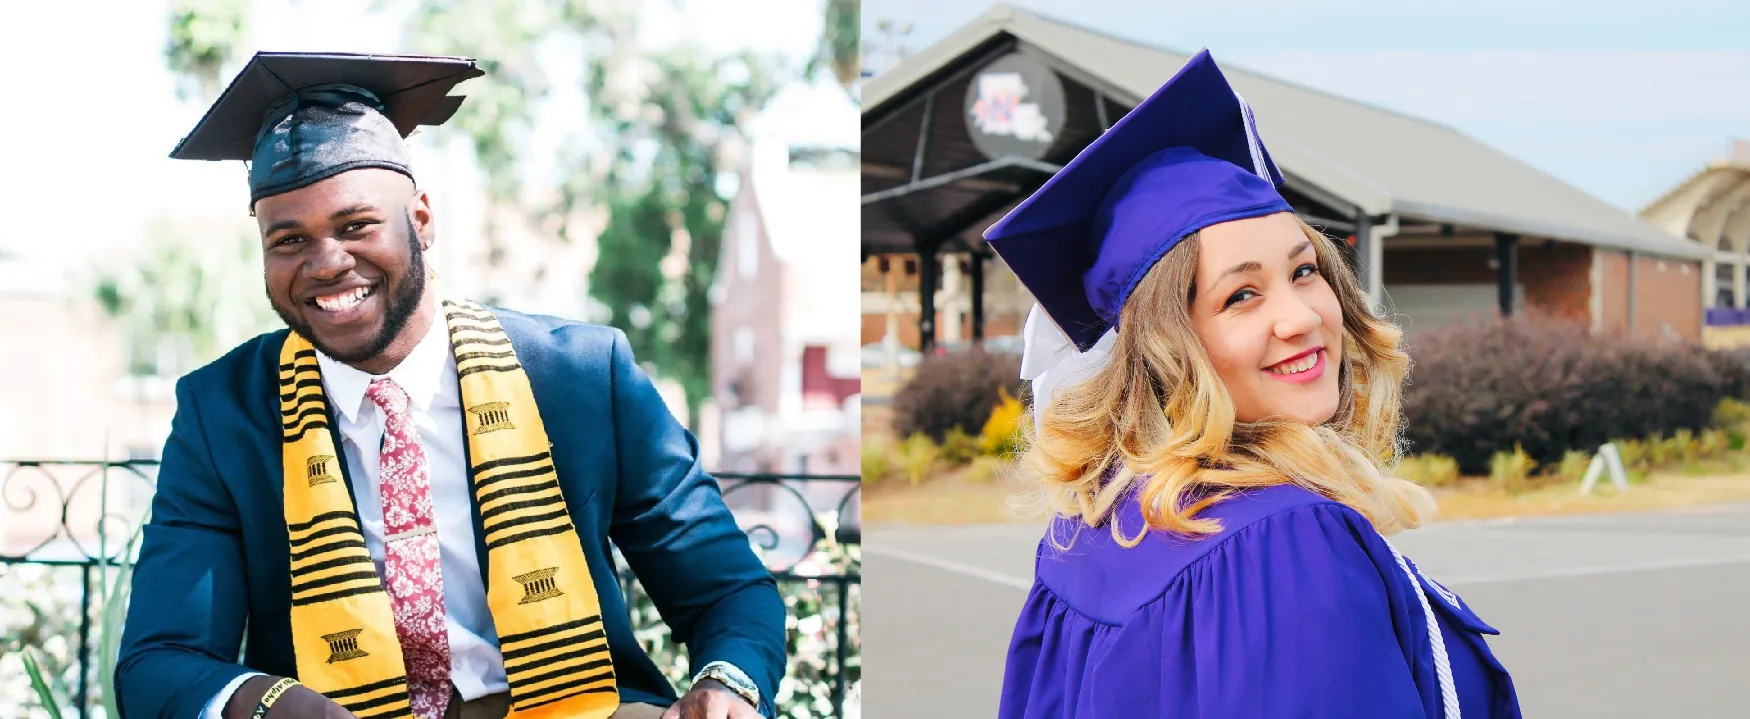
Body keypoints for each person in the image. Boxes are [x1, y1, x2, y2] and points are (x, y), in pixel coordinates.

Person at [115, 52, 782, 719]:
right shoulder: (224, 412)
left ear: (422, 220)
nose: (326, 263)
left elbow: (726, 591)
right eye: (288, 240)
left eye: (356, 226)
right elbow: (160, 658)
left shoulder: (580, 375)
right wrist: (269, 703)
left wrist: (728, 683)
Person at [984, 51, 1521, 718]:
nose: (1301, 318)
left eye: (1303, 272)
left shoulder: (1091, 529)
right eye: (1240, 295)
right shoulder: (1286, 541)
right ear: (1163, 346)